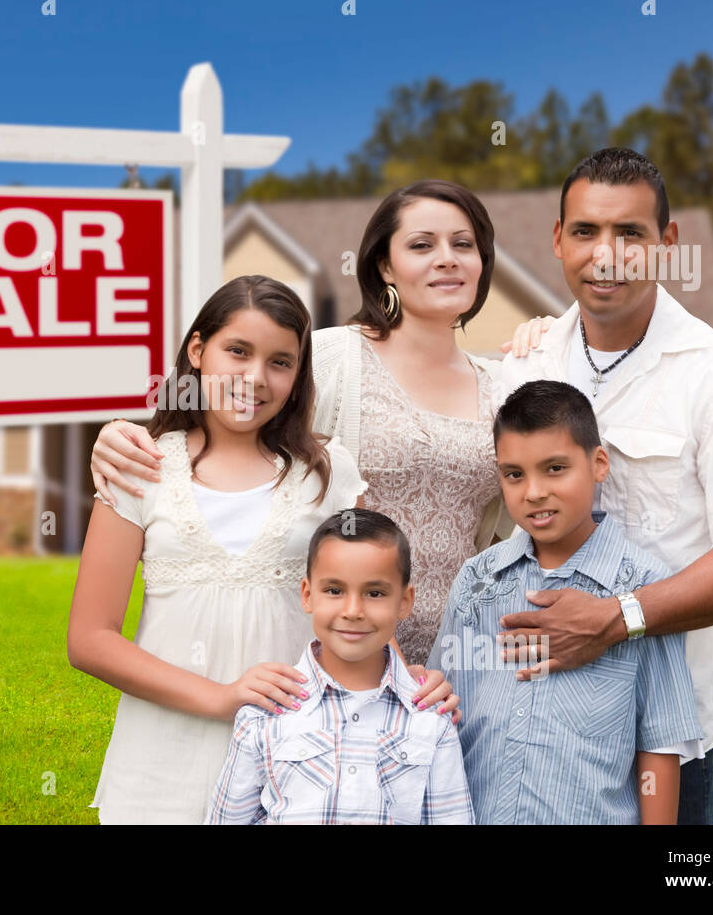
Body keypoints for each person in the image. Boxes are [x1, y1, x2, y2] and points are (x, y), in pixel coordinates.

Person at [89, 180, 550, 675]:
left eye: (464, 245)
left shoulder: (509, 384)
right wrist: (121, 434)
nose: (447, 258)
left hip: (463, 651)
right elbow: (235, 421)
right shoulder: (329, 358)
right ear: (384, 266)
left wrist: (555, 337)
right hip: (335, 653)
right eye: (421, 245)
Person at [495, 148, 713, 825]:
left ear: (667, 242)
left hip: (662, 739)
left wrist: (618, 619)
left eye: (630, 233)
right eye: (585, 231)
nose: (606, 254)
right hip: (528, 724)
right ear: (557, 241)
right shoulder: (523, 364)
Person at [67, 274, 373, 824]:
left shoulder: (328, 474)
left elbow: (365, 608)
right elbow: (89, 639)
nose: (255, 378)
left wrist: (412, 682)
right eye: (238, 351)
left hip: (294, 757)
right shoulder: (139, 467)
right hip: (162, 762)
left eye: (280, 362)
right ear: (198, 349)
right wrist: (221, 696)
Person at [430, 380, 702, 824]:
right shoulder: (477, 580)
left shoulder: (645, 588)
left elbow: (660, 741)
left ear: (598, 464)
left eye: (555, 468)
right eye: (514, 474)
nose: (533, 491)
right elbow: (440, 709)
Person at [207, 509, 474, 824]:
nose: (352, 611)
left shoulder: (430, 718)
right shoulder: (265, 712)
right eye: (334, 591)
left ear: (404, 601)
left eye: (374, 593)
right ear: (307, 595)